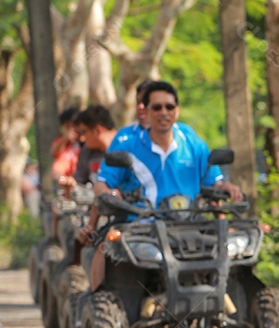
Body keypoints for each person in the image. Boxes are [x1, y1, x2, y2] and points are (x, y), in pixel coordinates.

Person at [84, 81, 242, 289]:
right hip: (142, 227)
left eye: (169, 107)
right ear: (145, 111)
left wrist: (228, 187)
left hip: (191, 225)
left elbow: (214, 181)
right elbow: (102, 183)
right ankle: (97, 303)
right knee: (106, 246)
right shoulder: (127, 143)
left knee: (235, 258)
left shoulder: (193, 143)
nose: (163, 112)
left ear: (177, 111)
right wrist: (108, 193)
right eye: (156, 107)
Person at [52, 106, 82, 190]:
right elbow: (54, 154)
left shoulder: (88, 143)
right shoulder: (66, 143)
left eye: (74, 126)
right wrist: (65, 138)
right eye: (67, 127)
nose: (71, 130)